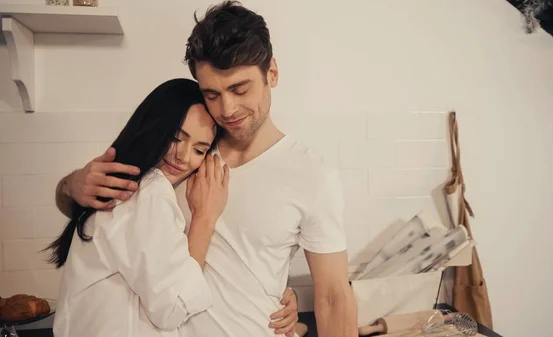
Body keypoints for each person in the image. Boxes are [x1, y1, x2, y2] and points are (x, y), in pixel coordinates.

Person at [55, 1, 358, 336]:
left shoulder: (311, 174)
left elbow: (332, 297)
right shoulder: (179, 152)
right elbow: (98, 217)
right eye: (212, 94)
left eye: (240, 89)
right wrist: (72, 185)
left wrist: (283, 303)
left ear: (272, 72)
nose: (227, 109)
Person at [49, 78, 298, 337]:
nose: (183, 156)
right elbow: (173, 307)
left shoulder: (145, 186)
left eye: (199, 150)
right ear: (153, 127)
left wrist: (274, 292)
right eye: (176, 138)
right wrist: (205, 219)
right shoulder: (149, 190)